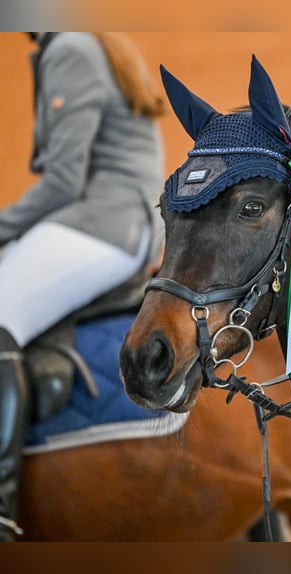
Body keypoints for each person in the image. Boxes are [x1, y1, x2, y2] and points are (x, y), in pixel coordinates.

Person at [0, 32, 165, 541]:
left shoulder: (71, 46)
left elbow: (63, 182)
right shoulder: (97, 41)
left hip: (100, 222)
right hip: (126, 226)